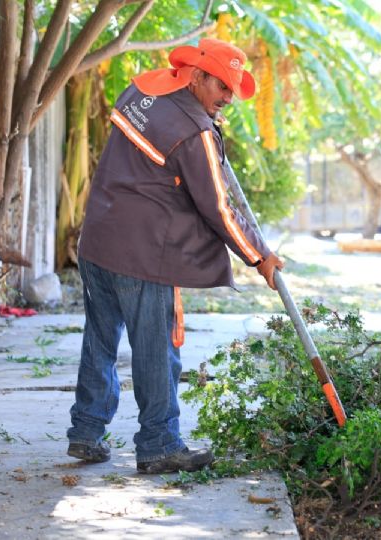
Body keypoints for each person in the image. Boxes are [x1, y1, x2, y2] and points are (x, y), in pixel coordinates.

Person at [66, 38, 284, 474]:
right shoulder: (194, 131)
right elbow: (218, 207)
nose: (227, 98)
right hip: (142, 254)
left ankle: (86, 433)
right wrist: (258, 256)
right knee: (156, 348)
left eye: (232, 89)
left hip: (97, 239)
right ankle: (159, 444)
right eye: (221, 86)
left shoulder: (142, 90)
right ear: (198, 75)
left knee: (101, 340)